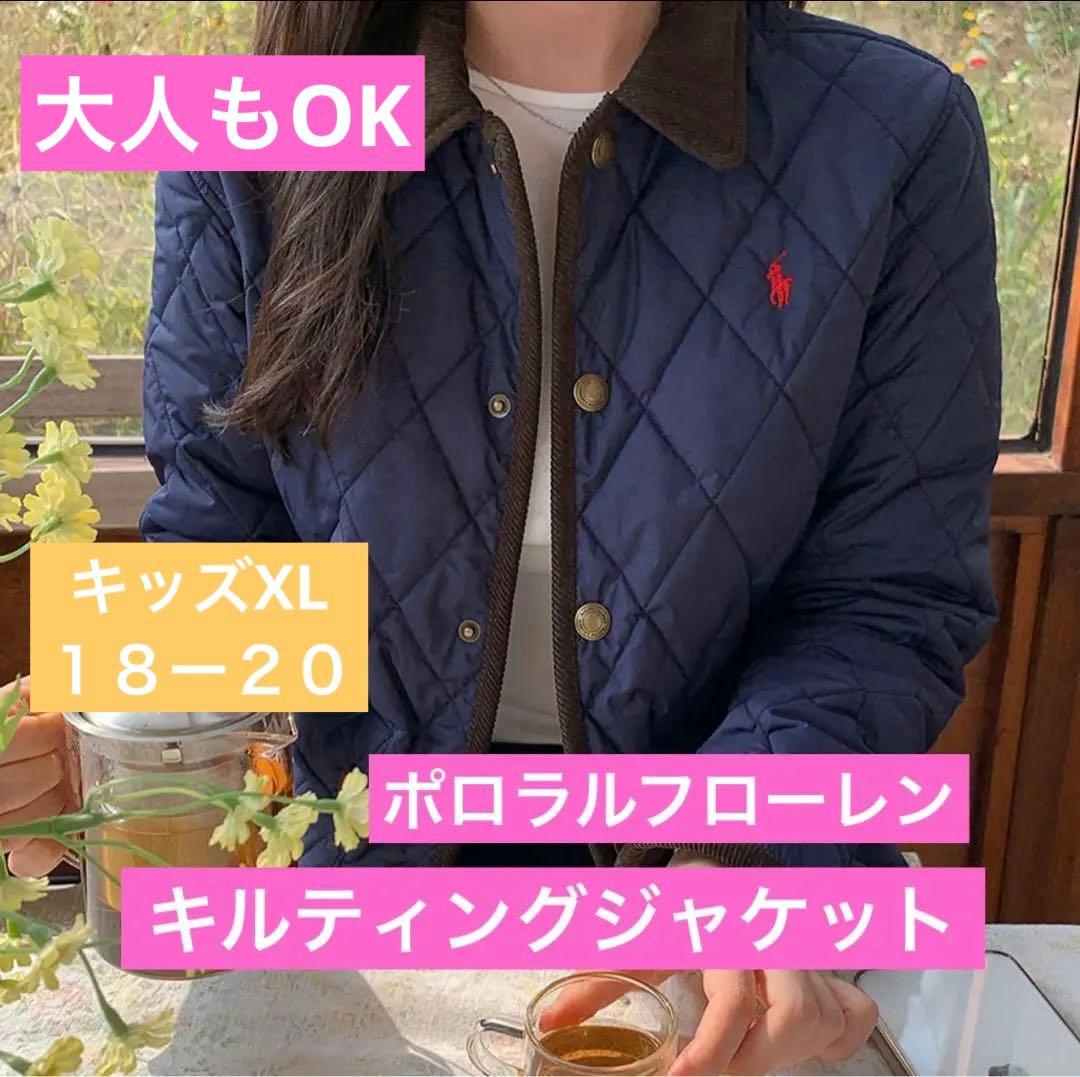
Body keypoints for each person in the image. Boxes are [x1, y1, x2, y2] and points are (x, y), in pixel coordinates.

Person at [1, 0, 1001, 1072]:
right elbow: (228, 541)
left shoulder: (894, 130)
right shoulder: (249, 131)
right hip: (359, 891)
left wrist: (747, 849)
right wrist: (111, 736)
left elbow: (884, 599)